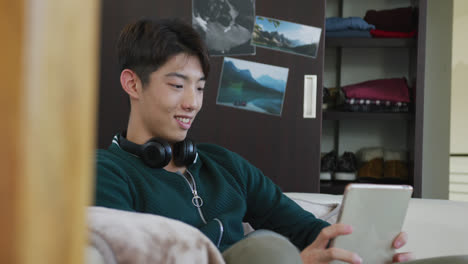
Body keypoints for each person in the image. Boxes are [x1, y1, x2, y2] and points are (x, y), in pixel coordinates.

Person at [95, 18, 411, 264]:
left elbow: (304, 229)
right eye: (178, 85)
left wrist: (357, 248)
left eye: (200, 88)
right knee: (266, 246)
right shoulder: (106, 172)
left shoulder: (223, 164)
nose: (193, 103)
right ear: (133, 84)